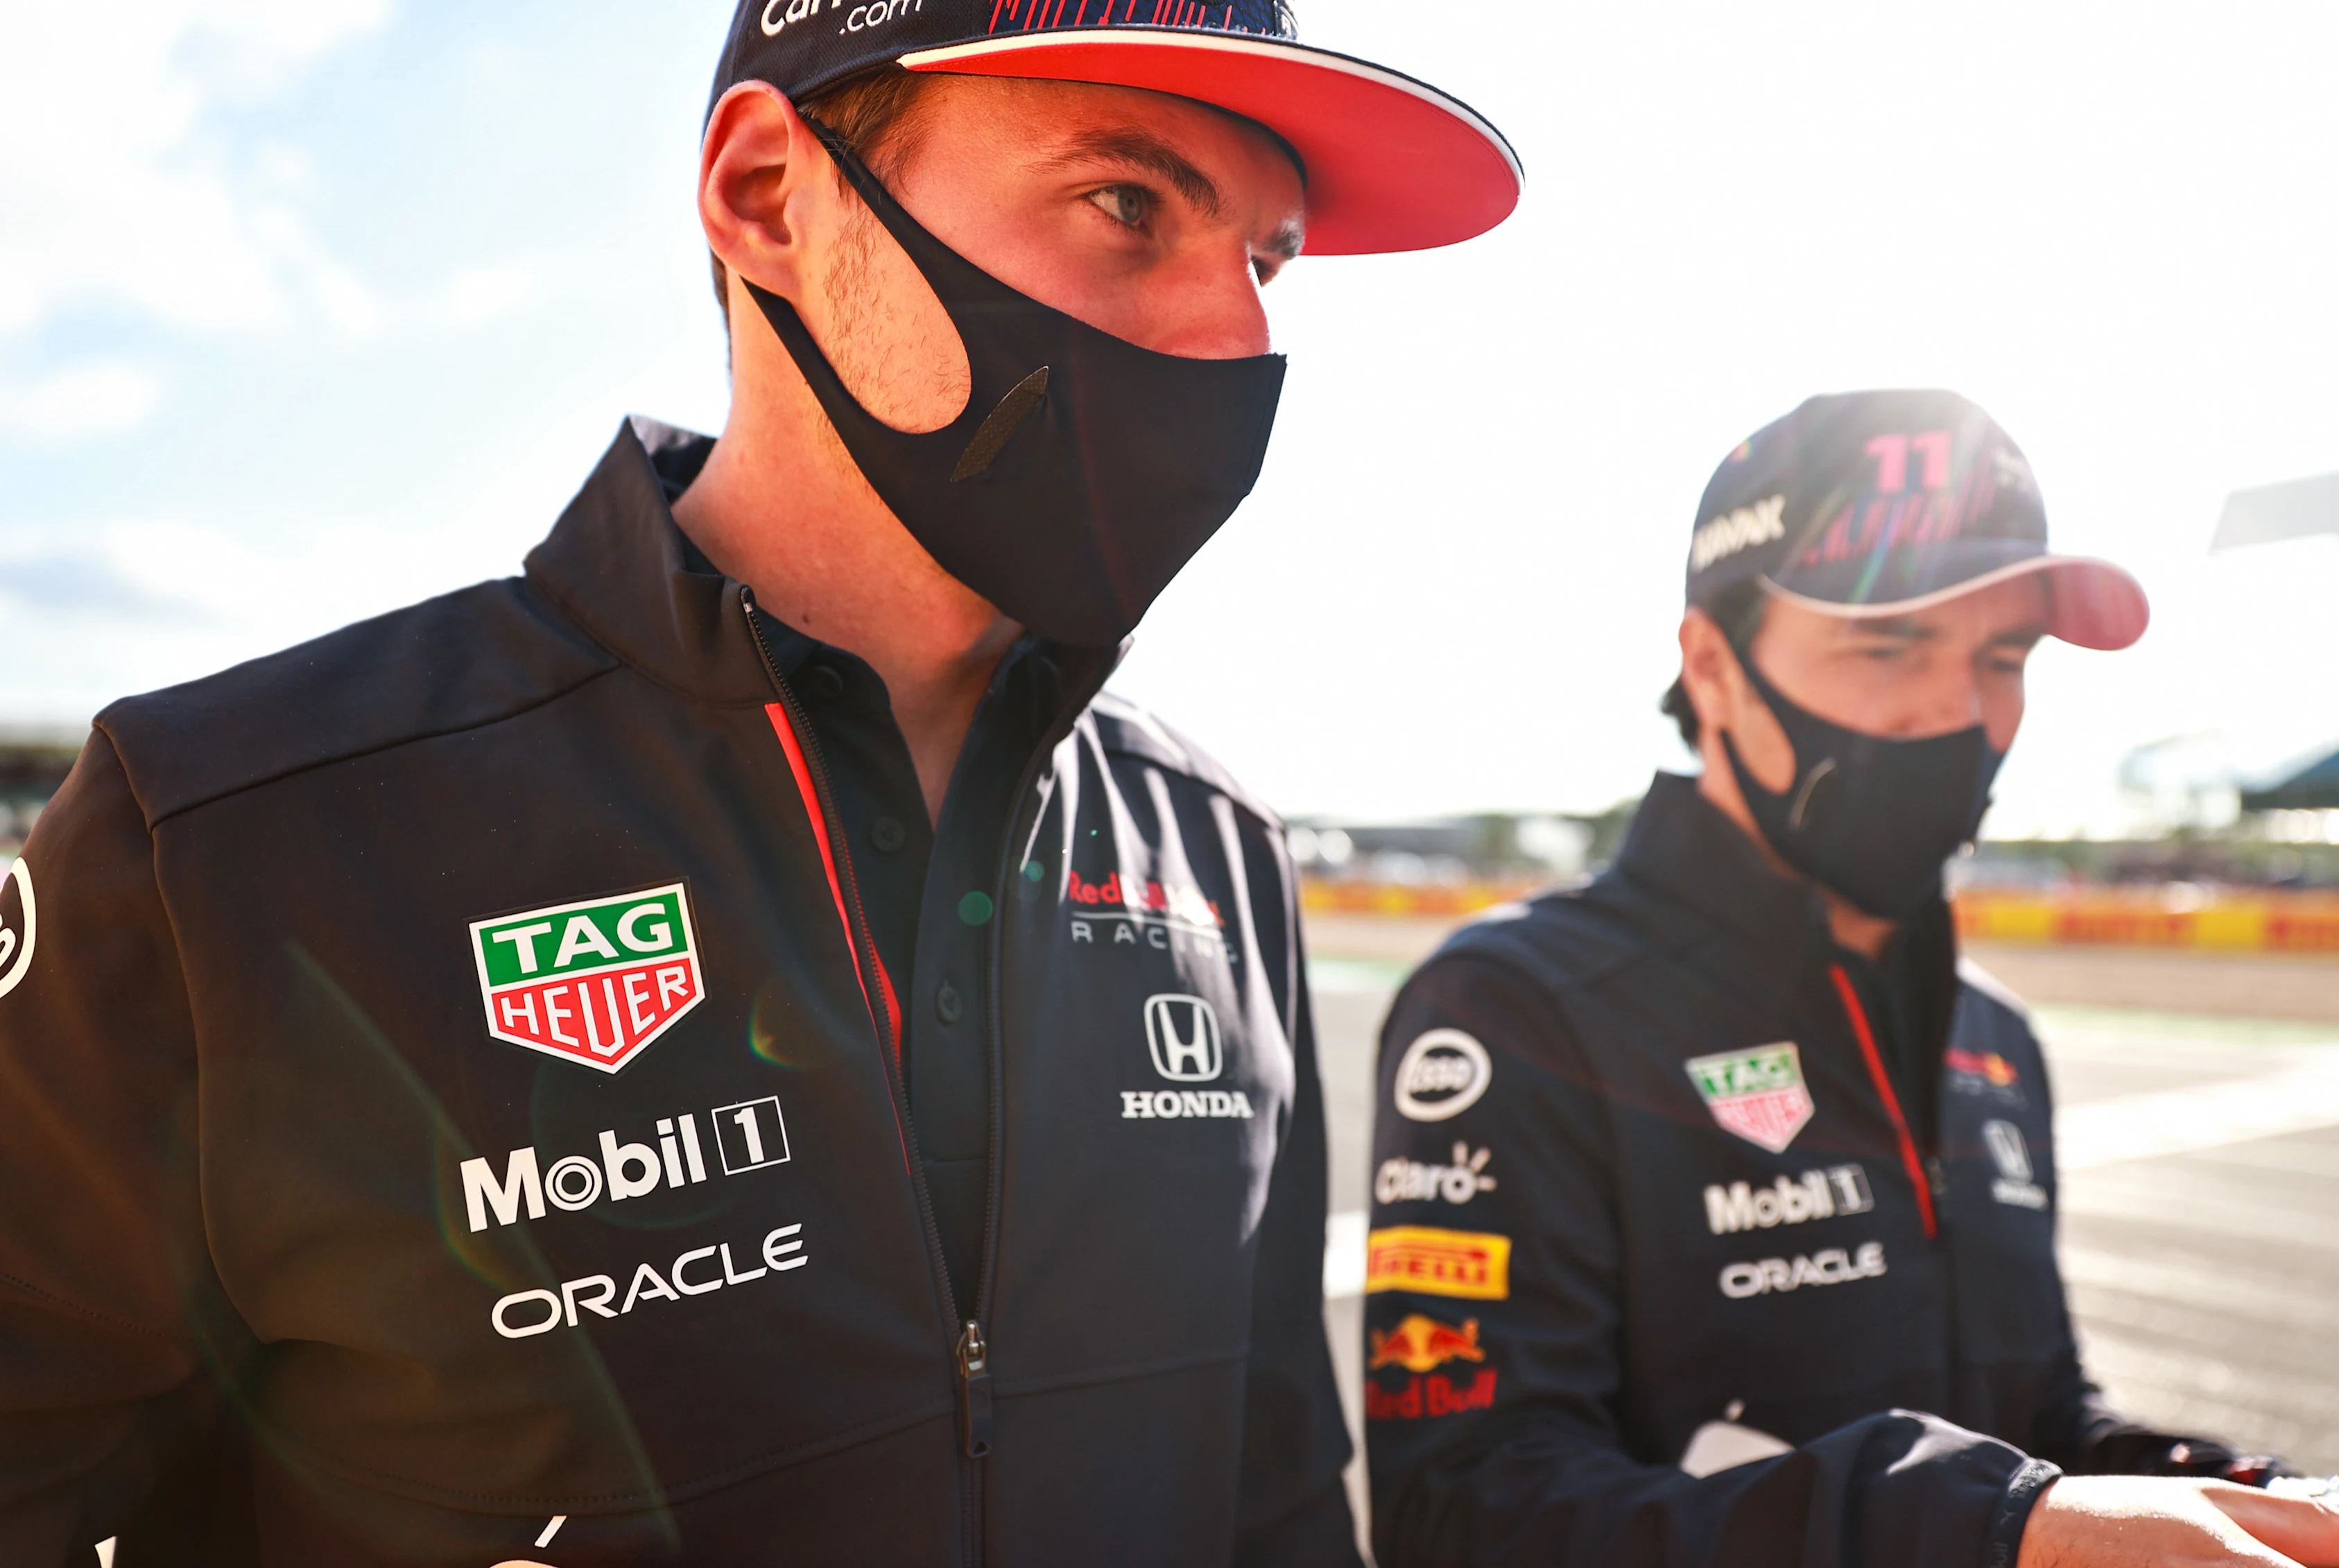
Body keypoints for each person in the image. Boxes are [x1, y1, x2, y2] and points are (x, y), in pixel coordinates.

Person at [0, 4, 1521, 1562]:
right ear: (767, 196)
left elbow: (1276, 1510)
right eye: (1126, 202)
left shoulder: (1218, 855)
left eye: (1267, 260)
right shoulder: (227, 838)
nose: (1240, 338)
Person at [1362, 389, 2339, 1568]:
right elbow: (1466, 1516)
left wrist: (2249, 1498)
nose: (1959, 710)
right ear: (1713, 667)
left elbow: (2039, 1425)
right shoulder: (1515, 1009)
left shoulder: (1991, 1036)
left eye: (2003, 657)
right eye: (1889, 643)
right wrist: (1980, 1530)